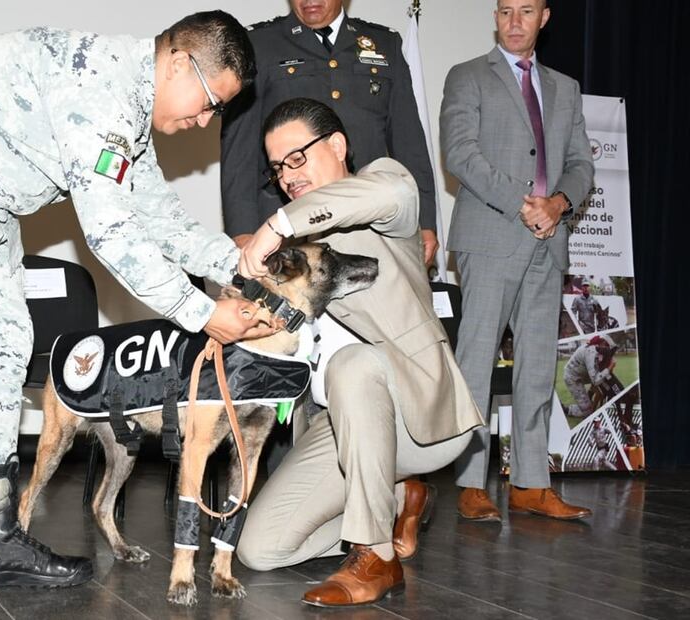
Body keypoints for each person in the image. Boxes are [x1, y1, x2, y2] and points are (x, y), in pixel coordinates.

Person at [0, 12, 275, 620]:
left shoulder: (129, 118)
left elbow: (161, 219)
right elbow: (113, 233)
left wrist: (239, 261)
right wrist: (202, 312)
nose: (204, 121)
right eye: (208, 102)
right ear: (178, 62)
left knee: (5, 346)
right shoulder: (97, 87)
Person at [235, 98, 483, 607]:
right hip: (338, 424)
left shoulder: (385, 188)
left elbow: (382, 192)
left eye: (297, 158)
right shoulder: (297, 246)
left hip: (419, 416)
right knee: (260, 550)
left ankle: (376, 556)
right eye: (279, 168)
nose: (287, 176)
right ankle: (394, 501)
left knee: (353, 365)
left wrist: (276, 224)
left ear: (338, 146)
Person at [441, 0, 595, 522]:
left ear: (543, 19)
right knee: (476, 364)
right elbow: (460, 155)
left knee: (536, 367)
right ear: (495, 16)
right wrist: (523, 203)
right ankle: (470, 482)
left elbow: (580, 166)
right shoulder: (466, 76)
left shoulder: (565, 88)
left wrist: (557, 205)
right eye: (505, 11)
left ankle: (531, 482)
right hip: (490, 236)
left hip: (549, 238)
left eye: (525, 12)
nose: (513, 22)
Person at [220, 0, 439, 266]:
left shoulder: (384, 44)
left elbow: (409, 142)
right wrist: (242, 231)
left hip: (369, 218)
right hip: (289, 221)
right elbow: (238, 149)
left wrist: (425, 220)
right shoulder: (259, 43)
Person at [564, 335, 617, 419]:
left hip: (583, 374)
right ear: (602, 343)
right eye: (608, 348)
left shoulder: (597, 348)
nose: (609, 352)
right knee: (588, 412)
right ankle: (567, 410)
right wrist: (610, 367)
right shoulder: (591, 352)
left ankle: (588, 397)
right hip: (573, 378)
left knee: (601, 383)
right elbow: (595, 380)